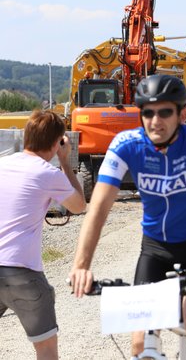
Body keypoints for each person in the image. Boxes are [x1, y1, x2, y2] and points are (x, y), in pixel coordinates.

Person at [68, 75, 186, 360]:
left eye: (165, 112)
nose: (155, 121)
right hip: (156, 247)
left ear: (182, 114)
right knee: (139, 342)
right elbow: (98, 208)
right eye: (148, 112)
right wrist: (81, 266)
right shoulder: (126, 144)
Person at [0, 110, 86, 360]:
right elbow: (79, 205)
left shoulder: (2, 164)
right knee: (45, 347)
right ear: (58, 142)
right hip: (22, 271)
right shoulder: (48, 173)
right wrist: (65, 162)